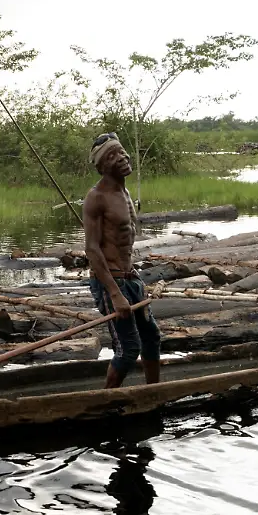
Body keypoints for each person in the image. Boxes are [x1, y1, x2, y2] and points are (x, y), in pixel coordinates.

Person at [83, 132, 161, 388]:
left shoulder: (125, 193)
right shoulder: (96, 198)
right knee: (128, 350)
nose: (122, 157)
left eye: (121, 151)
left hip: (130, 277)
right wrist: (115, 294)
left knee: (151, 337)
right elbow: (92, 249)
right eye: (112, 155)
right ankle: (106, 401)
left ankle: (154, 392)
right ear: (101, 166)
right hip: (111, 282)